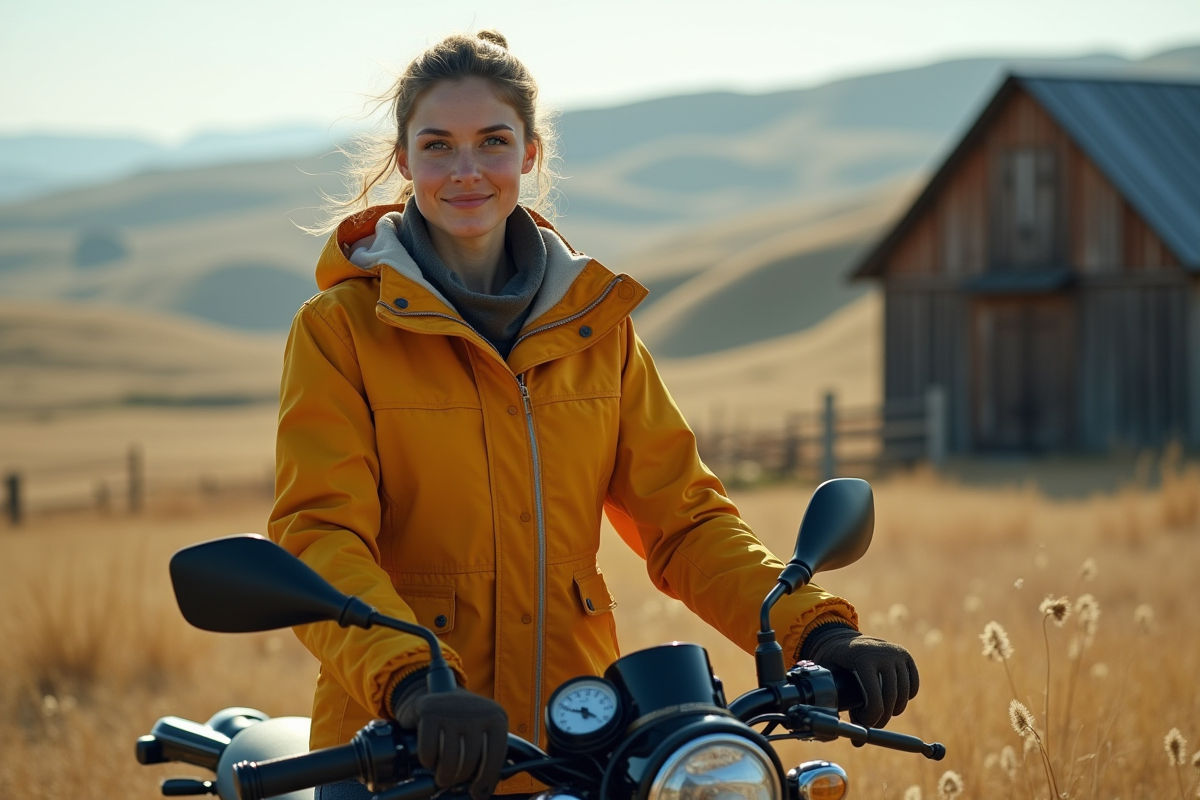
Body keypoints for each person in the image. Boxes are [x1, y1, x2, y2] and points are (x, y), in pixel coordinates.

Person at [269, 30, 918, 800]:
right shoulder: (341, 328)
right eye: (438, 145)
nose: (467, 170)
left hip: (577, 745)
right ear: (405, 160)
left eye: (493, 142)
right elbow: (319, 535)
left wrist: (819, 629)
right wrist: (410, 681)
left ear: (531, 154)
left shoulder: (595, 328)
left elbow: (684, 521)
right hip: (399, 750)